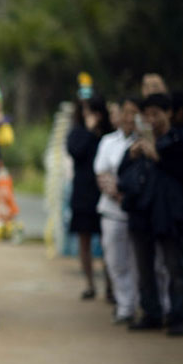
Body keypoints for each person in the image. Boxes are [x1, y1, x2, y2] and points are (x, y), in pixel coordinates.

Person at [125, 93, 183, 336]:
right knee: (144, 267)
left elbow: (180, 172)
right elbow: (124, 174)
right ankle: (151, 312)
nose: (151, 119)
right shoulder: (137, 142)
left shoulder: (179, 140)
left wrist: (156, 155)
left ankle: (179, 315)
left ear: (169, 113)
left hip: (169, 213)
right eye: (146, 114)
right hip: (142, 213)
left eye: (155, 114)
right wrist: (132, 154)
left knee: (175, 267)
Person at [94, 96, 140, 324]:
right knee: (116, 260)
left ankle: (147, 305)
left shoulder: (144, 142)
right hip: (113, 211)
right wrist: (118, 193)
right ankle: (125, 306)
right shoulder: (108, 142)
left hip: (139, 211)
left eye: (135, 113)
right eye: (126, 113)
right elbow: (101, 173)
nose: (130, 118)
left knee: (140, 261)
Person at [66, 95, 113, 300]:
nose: (89, 115)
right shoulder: (77, 132)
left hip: (104, 193)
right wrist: (88, 131)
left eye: (93, 111)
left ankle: (111, 285)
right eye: (85, 111)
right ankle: (89, 284)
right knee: (84, 239)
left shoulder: (110, 134)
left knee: (107, 241)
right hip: (83, 193)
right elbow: (75, 152)